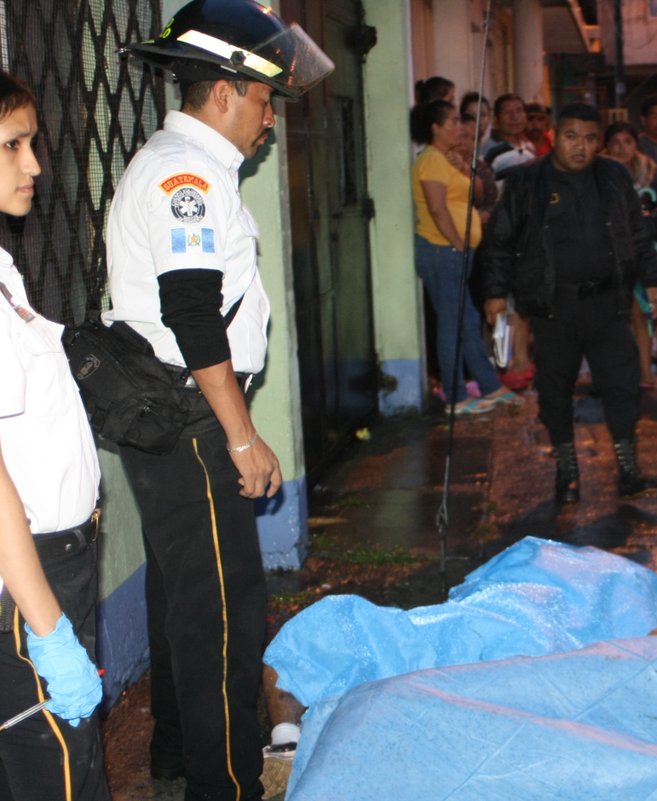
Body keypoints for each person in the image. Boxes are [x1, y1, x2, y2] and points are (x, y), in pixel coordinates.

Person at [104, 3, 333, 797]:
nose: (270, 121)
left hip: (179, 411)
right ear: (227, 92)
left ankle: (178, 753)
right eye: (265, 101)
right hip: (192, 420)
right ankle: (227, 782)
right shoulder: (188, 177)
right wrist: (241, 437)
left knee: (183, 595)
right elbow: (194, 315)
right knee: (225, 613)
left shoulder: (184, 164)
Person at [0, 70, 107, 801]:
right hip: (29, 576)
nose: (34, 164)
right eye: (13, 145)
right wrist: (45, 627)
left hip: (58, 558)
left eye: (31, 143)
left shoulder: (4, 268)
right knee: (61, 778)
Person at [480, 103, 657, 505]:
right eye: (571, 137)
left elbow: (638, 232)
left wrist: (652, 280)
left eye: (589, 138)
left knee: (622, 385)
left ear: (599, 143)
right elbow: (499, 243)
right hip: (553, 306)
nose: (580, 146)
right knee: (554, 391)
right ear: (554, 136)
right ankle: (566, 471)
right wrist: (494, 293)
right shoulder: (527, 181)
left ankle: (629, 470)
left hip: (607, 303)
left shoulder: (613, 176)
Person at [412, 100, 519, 415]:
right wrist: (459, 244)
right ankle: (456, 396)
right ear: (436, 128)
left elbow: (478, 192)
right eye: (454, 122)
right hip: (443, 251)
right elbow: (437, 209)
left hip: (455, 251)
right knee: (452, 324)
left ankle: (490, 386)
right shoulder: (431, 160)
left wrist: (462, 168)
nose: (461, 127)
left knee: (468, 321)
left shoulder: (447, 159)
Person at [602, 121, 657, 392]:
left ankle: (645, 373)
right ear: (606, 146)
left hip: (644, 252)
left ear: (636, 145)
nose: (622, 148)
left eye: (627, 142)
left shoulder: (650, 171)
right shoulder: (598, 173)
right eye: (615, 143)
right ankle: (606, 376)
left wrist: (651, 221)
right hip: (608, 256)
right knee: (607, 319)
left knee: (642, 313)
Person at [483, 93, 537, 390]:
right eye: (508, 112)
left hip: (528, 235)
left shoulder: (529, 149)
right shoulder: (490, 152)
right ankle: (509, 362)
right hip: (504, 234)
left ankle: (522, 358)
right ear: (496, 118)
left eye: (520, 111)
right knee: (504, 300)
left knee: (523, 297)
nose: (516, 117)